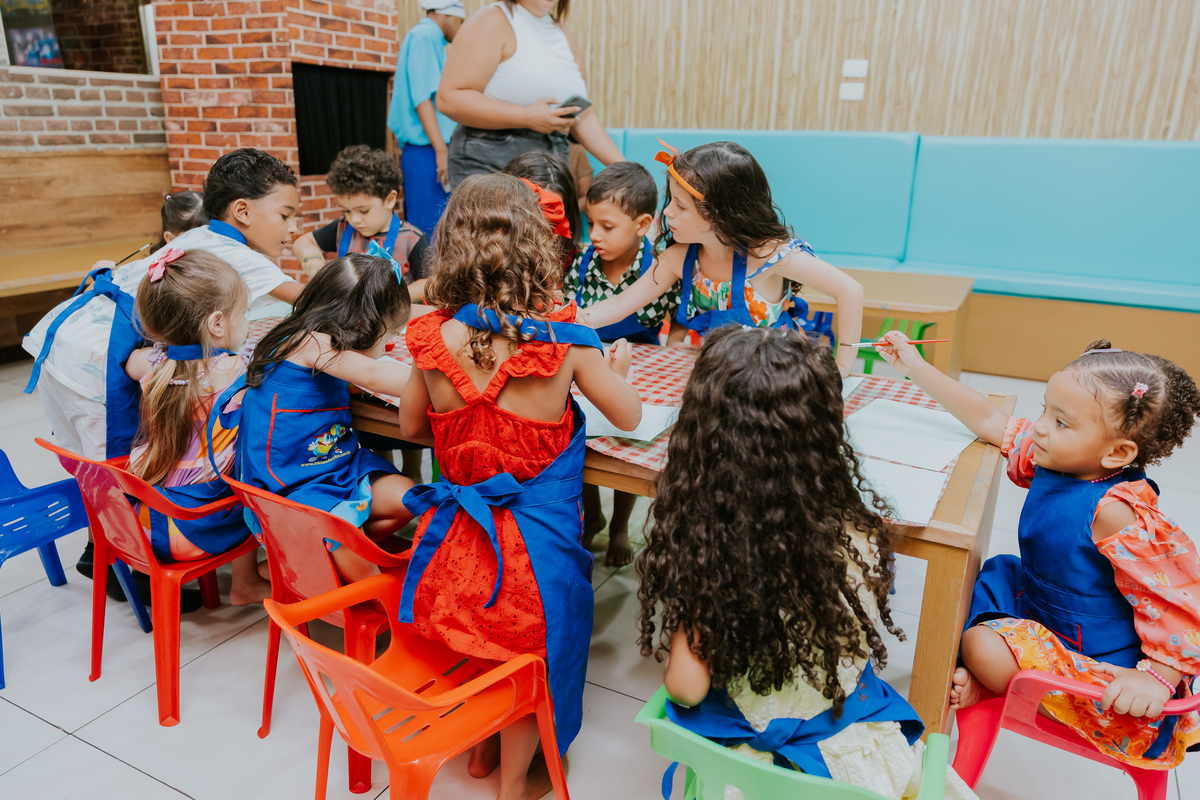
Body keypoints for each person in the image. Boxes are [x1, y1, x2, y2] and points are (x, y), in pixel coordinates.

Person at [636, 326, 978, 800]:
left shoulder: (709, 557)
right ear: (823, 435)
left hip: (746, 775)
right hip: (856, 765)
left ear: (704, 441)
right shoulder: (856, 535)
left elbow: (686, 689)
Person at [398, 173, 641, 800]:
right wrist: (616, 366)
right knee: (527, 661)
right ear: (539, 246)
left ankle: (477, 755)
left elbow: (411, 426)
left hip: (454, 543)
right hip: (534, 554)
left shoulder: (428, 337)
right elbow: (631, 418)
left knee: (479, 643)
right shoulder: (567, 343)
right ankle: (512, 783)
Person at [876, 332, 1200, 769]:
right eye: (1045, 409)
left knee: (982, 645)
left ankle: (998, 687)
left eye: (1062, 422)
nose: (1041, 426)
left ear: (1117, 453)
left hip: (1096, 660)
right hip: (1049, 612)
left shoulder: (1118, 512)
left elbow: (1183, 601)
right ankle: (996, 682)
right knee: (993, 573)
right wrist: (915, 366)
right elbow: (992, 419)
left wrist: (1159, 680)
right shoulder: (1061, 457)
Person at [22, 148, 304, 581]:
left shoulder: (196, 237)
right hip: (96, 360)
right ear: (243, 211)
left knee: (93, 467)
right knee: (114, 470)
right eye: (285, 216)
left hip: (66, 341)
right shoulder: (240, 254)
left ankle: (105, 548)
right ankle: (128, 569)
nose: (293, 229)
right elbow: (317, 300)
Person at [581, 141, 865, 377]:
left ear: (719, 214)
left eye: (680, 206)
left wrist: (842, 368)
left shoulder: (767, 255)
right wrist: (568, 321)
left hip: (776, 377)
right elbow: (621, 303)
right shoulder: (680, 258)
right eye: (670, 201)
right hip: (720, 377)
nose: (666, 213)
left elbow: (850, 290)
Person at [215, 254, 416, 584]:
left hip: (337, 468)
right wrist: (441, 375)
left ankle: (314, 560)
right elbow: (376, 374)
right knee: (357, 559)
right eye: (388, 333)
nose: (389, 342)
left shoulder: (319, 338)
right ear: (357, 326)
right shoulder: (307, 342)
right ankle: (375, 599)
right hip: (293, 482)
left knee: (411, 498)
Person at [124, 248, 270, 606]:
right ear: (217, 324)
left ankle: (247, 579)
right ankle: (247, 582)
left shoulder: (156, 365)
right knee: (256, 480)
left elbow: (130, 363)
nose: (246, 322)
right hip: (193, 527)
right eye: (243, 314)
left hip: (141, 523)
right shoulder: (236, 371)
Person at [566, 161, 683, 567]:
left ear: (643, 223)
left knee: (627, 446)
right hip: (589, 364)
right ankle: (592, 511)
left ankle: (619, 525)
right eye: (590, 223)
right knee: (584, 438)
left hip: (644, 369)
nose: (594, 235)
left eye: (607, 226)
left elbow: (680, 326)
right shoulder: (581, 263)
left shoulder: (661, 266)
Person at [437, 0, 624, 189]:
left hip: (551, 166)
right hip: (491, 165)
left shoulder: (562, 31)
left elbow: (582, 115)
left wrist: (625, 168)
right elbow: (449, 99)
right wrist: (526, 117)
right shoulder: (492, 19)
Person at [291, 145, 432, 299]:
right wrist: (310, 254)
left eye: (364, 211)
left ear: (390, 199)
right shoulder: (343, 227)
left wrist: (398, 299)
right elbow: (303, 242)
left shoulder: (412, 238)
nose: (355, 219)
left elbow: (431, 282)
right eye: (346, 210)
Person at [387, 0, 464, 238]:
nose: (460, 28)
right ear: (448, 13)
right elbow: (422, 98)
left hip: (431, 149)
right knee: (431, 232)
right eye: (461, 21)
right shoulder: (424, 36)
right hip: (428, 151)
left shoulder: (428, 39)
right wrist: (441, 150)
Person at [501, 150, 580, 267]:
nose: (542, 224)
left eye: (553, 212)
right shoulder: (486, 255)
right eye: (535, 211)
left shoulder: (575, 264)